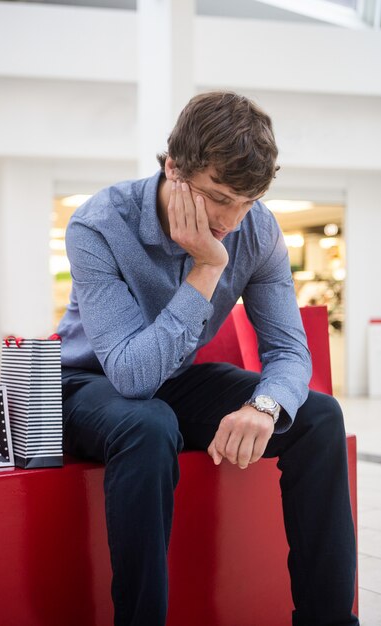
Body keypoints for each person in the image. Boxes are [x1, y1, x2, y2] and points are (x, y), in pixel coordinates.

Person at [58, 91, 358, 626]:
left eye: (247, 201)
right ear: (174, 168)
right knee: (148, 423)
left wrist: (265, 406)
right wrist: (205, 268)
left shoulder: (257, 227)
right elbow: (129, 374)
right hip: (90, 382)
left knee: (317, 417)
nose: (232, 219)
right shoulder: (98, 224)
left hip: (174, 379)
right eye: (219, 196)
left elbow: (288, 350)